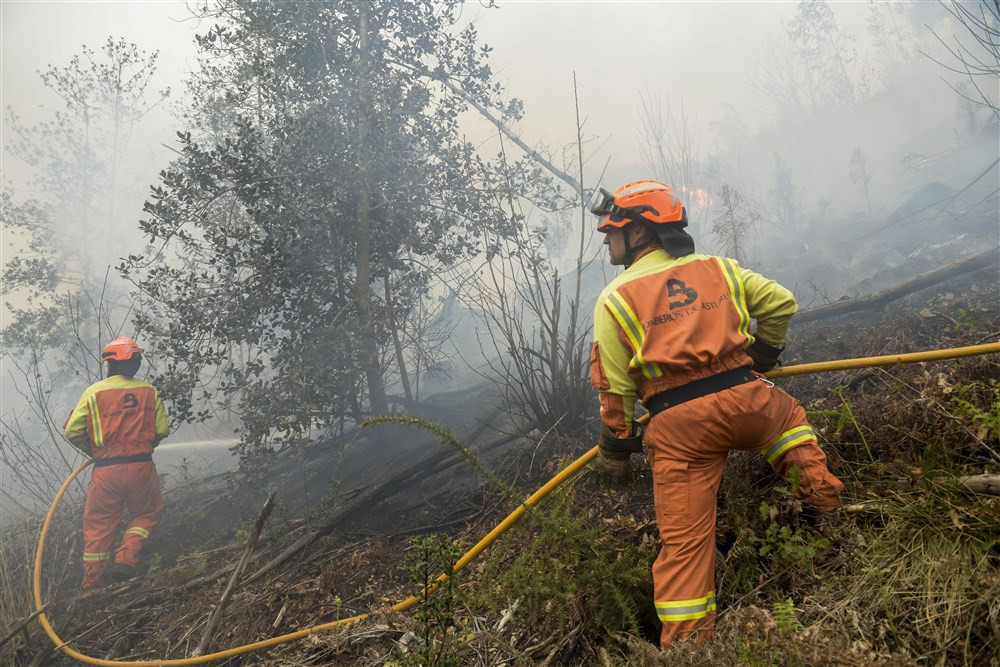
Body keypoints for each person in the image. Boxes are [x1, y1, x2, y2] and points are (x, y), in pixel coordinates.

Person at [588, 180, 844, 648]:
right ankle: (825, 511)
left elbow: (615, 390)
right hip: (749, 400)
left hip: (681, 430)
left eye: (612, 229)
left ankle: (687, 648)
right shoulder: (719, 269)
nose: (605, 238)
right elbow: (782, 303)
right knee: (788, 423)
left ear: (640, 232)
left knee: (684, 546)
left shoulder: (614, 298)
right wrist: (763, 359)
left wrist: (616, 451)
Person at [63, 337, 169, 591]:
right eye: (136, 359)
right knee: (145, 514)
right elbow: (161, 431)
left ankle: (93, 587)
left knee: (99, 526)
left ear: (109, 363)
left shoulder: (94, 393)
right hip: (142, 467)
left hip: (106, 471)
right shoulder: (149, 391)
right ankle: (126, 561)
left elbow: (72, 432)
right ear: (131, 363)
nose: (138, 363)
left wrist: (96, 450)